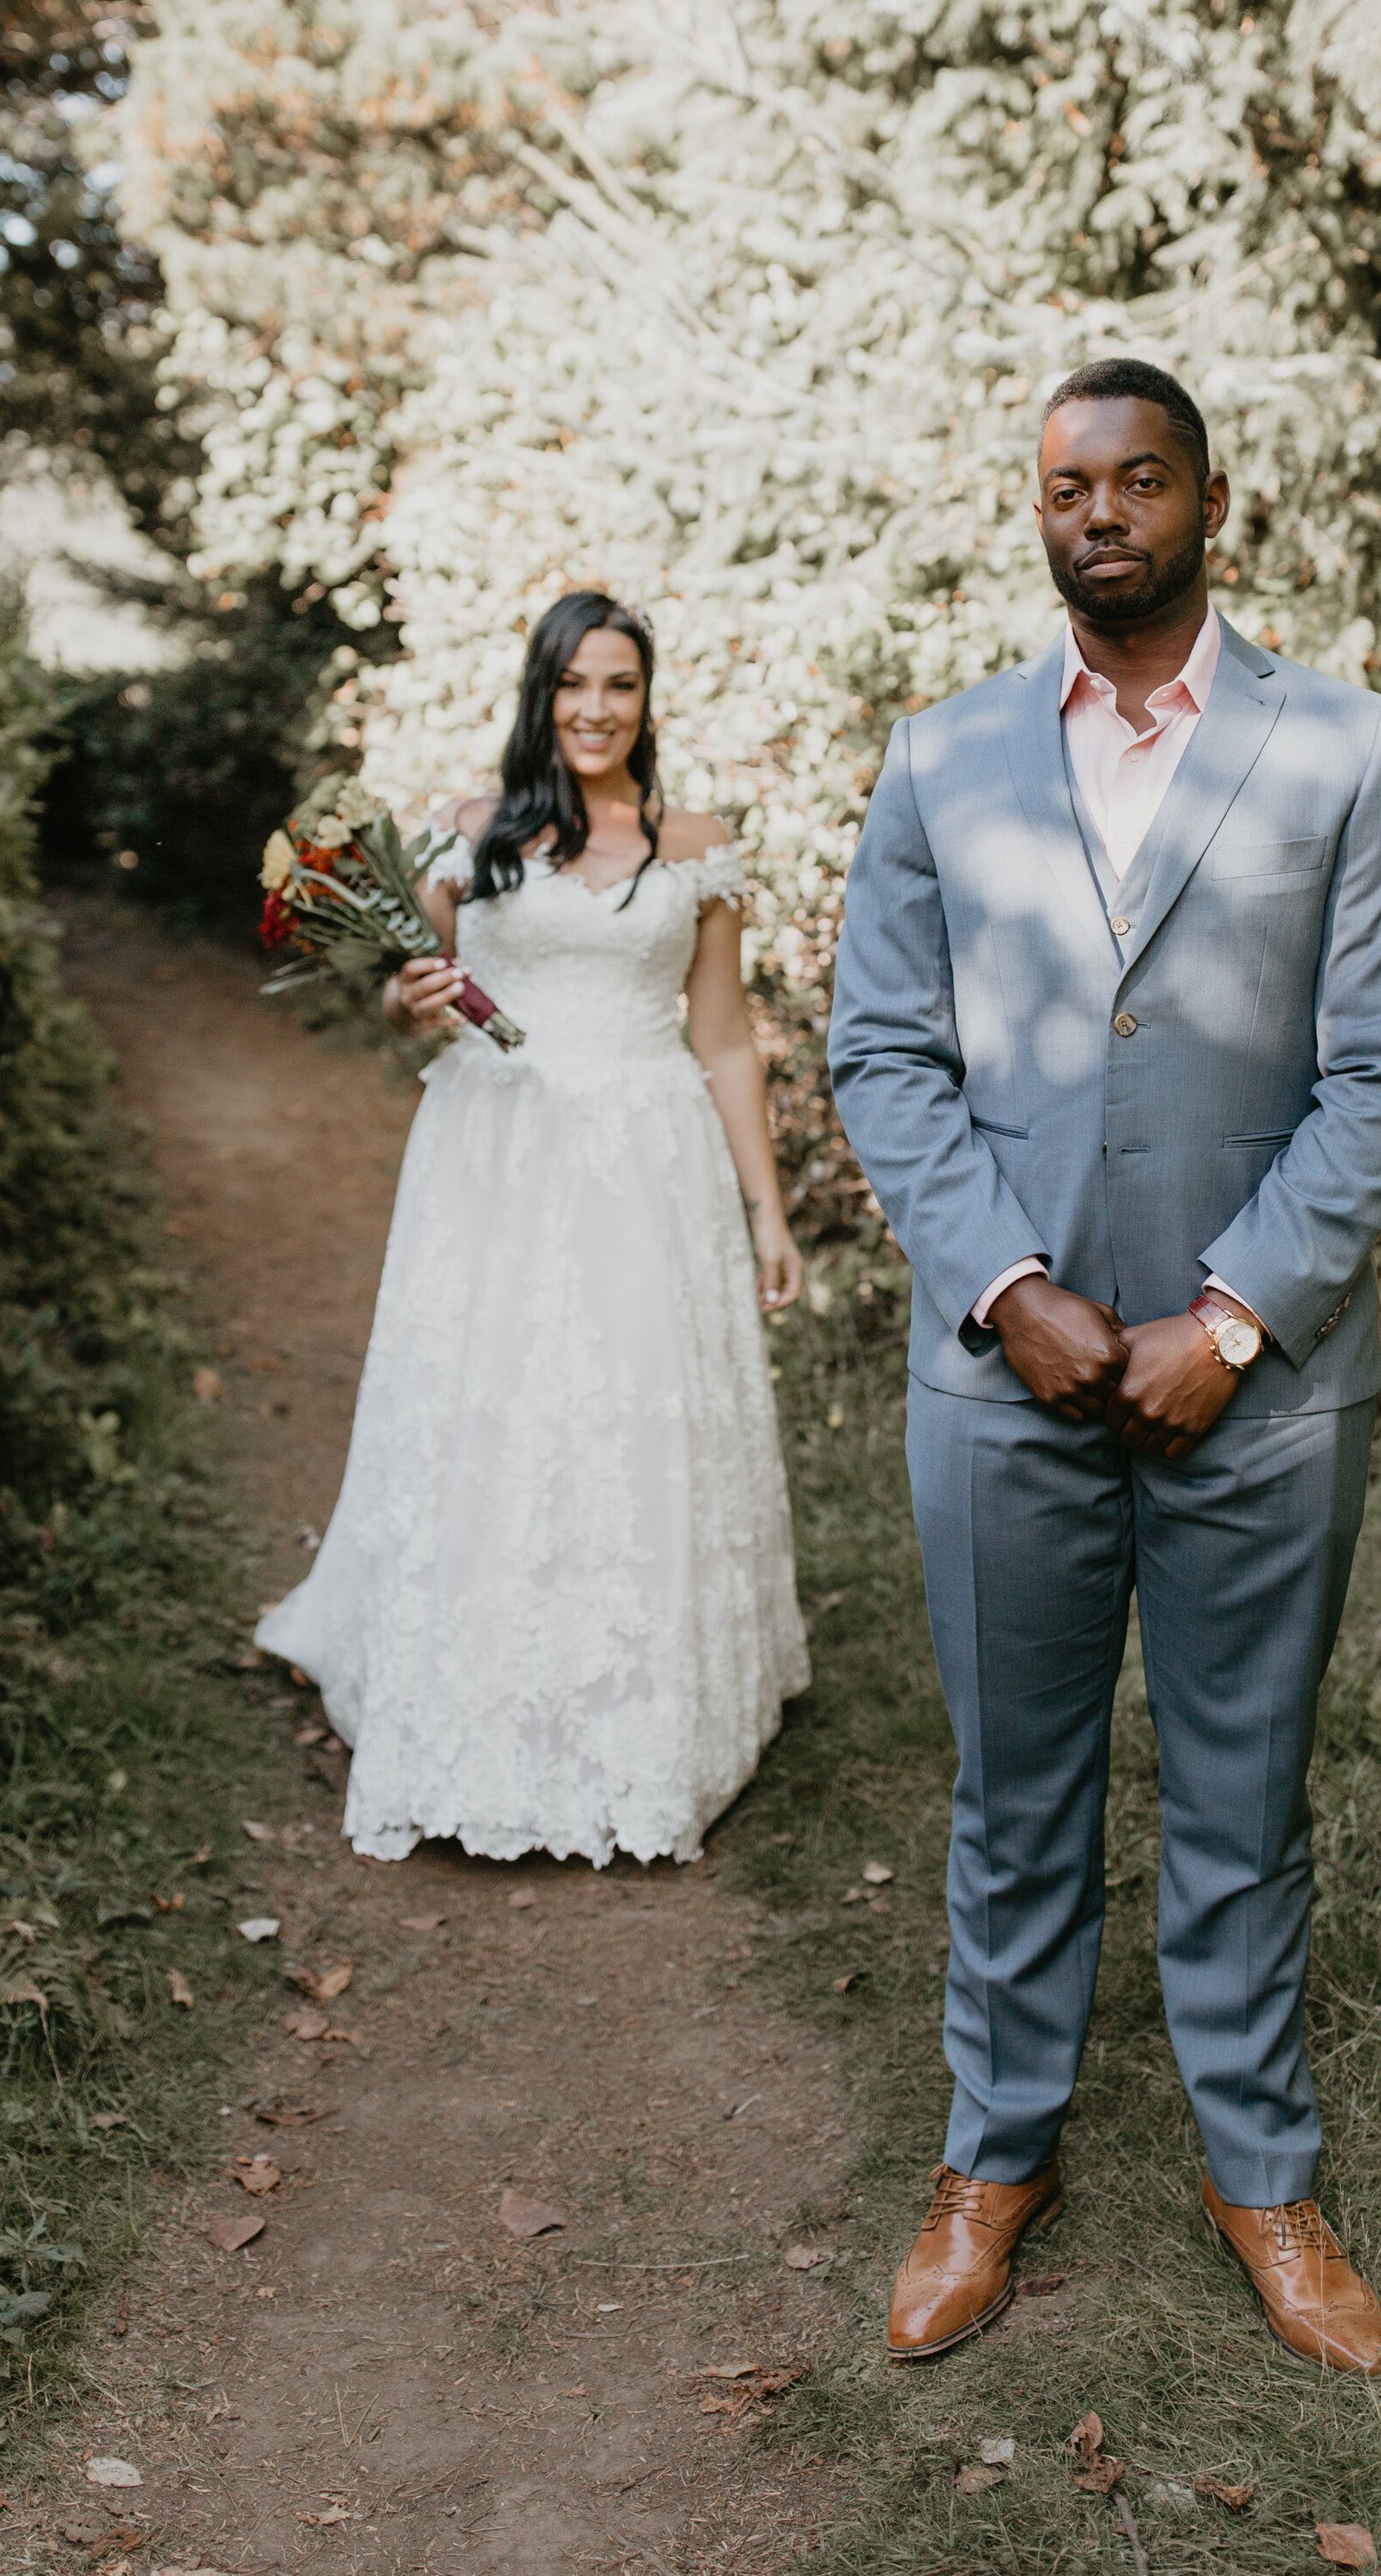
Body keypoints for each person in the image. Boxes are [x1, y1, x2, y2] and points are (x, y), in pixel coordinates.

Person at [827, 360, 1381, 2373]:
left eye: (1134, 479)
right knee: (1015, 1797)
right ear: (1035, 514)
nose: (1094, 512)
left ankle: (1259, 2179)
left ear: (1203, 498)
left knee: (1240, 1796)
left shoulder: (1347, 754)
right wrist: (1006, 1288)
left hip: (1256, 1399)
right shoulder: (938, 758)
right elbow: (879, 1058)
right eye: (1061, 486)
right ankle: (988, 2165)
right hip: (1000, 1384)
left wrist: (1234, 1318)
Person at [258, 589, 810, 1867]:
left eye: (619, 685)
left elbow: (724, 1037)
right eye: (574, 686)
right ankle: (469, 1686)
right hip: (495, 1155)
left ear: (646, 696)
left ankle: (638, 1705)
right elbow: (421, 1003)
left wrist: (766, 1207)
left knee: (628, 1412)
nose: (596, 709)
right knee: (494, 1406)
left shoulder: (695, 844)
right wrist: (408, 998)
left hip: (647, 1158)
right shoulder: (466, 837)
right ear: (541, 694)